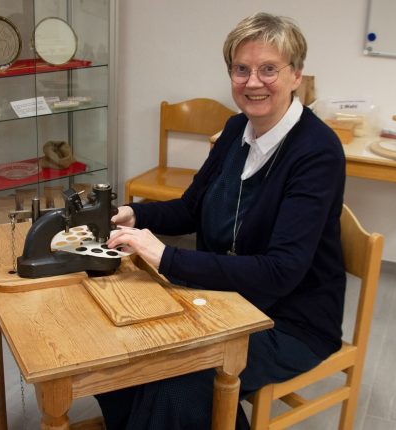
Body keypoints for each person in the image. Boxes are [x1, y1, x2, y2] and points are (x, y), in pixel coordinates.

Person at [96, 12, 346, 430]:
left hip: (291, 319)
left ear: (296, 75)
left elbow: (281, 271)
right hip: (222, 296)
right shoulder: (235, 130)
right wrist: (135, 214)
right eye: (241, 69)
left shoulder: (317, 151)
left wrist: (167, 258)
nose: (253, 82)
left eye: (269, 69)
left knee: (177, 383)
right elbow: (190, 209)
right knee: (117, 352)